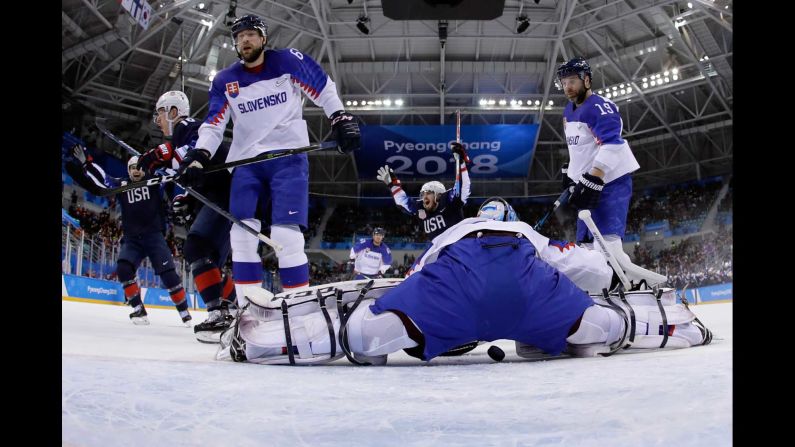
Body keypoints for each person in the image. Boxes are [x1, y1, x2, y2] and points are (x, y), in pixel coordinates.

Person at [217, 197, 712, 365]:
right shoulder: (523, 230)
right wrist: (612, 281)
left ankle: (265, 341)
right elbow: (584, 268)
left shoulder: (457, 228)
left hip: (453, 291)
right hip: (529, 297)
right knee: (596, 327)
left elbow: (416, 276)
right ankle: (669, 326)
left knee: (368, 337)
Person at [175, 14, 360, 306]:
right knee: (242, 237)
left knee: (288, 238)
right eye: (239, 36)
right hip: (246, 165)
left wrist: (339, 117)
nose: (244, 40)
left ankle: (298, 311)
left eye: (250, 34)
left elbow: (323, 87)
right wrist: (199, 156)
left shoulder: (287, 61)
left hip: (288, 160)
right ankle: (249, 311)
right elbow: (213, 124)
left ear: (263, 39)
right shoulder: (225, 80)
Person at [136, 90, 237, 342]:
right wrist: (182, 197)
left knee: (197, 248)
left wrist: (161, 153)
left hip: (227, 192)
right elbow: (186, 173)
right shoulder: (179, 138)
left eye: (159, 113)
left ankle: (218, 315)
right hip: (225, 192)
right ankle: (235, 311)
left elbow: (197, 152)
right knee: (208, 258)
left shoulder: (188, 126)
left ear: (172, 112)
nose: (157, 120)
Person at [63, 146, 192, 326]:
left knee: (169, 275)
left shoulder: (154, 181)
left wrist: (178, 164)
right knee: (124, 269)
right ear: (128, 170)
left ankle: (184, 312)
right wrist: (87, 163)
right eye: (132, 168)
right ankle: (138, 310)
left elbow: (172, 173)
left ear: (144, 169)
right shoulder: (122, 185)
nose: (136, 171)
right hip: (132, 239)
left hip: (154, 236)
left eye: (139, 168)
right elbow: (103, 180)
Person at [556, 57, 641, 276]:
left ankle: (627, 286)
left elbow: (612, 144)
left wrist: (593, 177)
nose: (567, 87)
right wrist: (571, 173)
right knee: (586, 248)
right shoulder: (568, 110)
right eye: (564, 83)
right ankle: (600, 291)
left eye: (572, 81)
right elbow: (581, 147)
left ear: (586, 80)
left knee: (607, 247)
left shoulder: (599, 107)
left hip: (610, 183)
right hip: (589, 183)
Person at [376, 142, 471, 241]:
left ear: (438, 195)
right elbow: (403, 202)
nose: (424, 197)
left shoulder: (448, 200)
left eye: (428, 193)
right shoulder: (420, 207)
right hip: (439, 250)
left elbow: (463, 188)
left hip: (459, 246)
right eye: (423, 194)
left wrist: (461, 164)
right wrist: (393, 186)